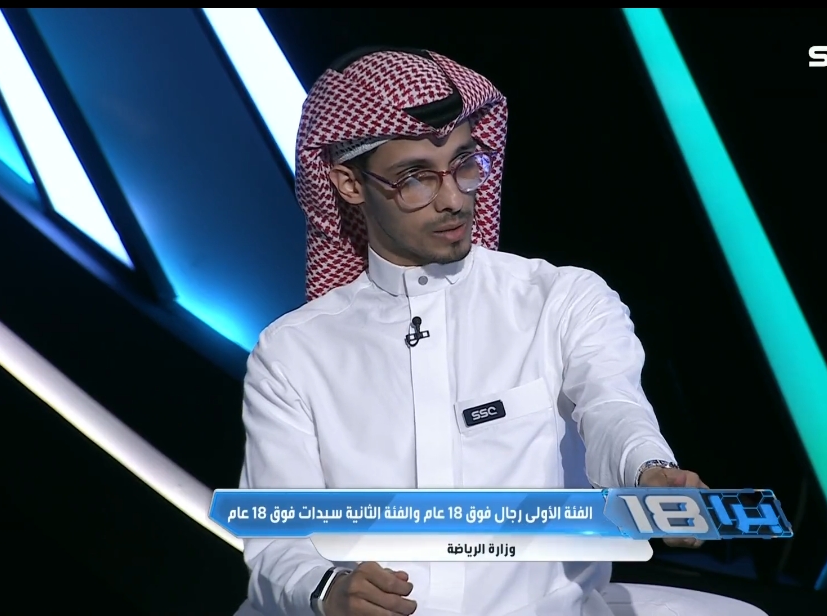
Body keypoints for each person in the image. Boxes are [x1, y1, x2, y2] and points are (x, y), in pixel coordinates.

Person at [235, 47, 767, 616]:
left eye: (465, 164)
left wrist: (648, 472)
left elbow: (613, 408)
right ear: (348, 183)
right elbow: (276, 540)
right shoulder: (292, 352)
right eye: (415, 178)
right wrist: (326, 591)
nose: (453, 198)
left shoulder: (560, 299)